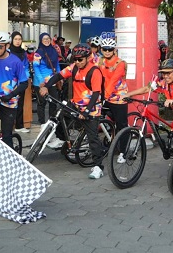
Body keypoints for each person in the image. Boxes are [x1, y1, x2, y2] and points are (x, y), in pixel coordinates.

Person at [41, 43, 106, 179]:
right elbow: (58, 76)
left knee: (92, 137)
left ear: (88, 58)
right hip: (76, 103)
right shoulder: (74, 67)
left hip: (91, 108)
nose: (77, 62)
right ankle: (68, 141)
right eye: (75, 59)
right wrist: (46, 86)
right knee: (58, 117)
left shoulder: (95, 71)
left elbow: (95, 94)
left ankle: (98, 166)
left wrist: (87, 112)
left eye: (80, 59)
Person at [127, 59, 173, 155]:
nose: (165, 76)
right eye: (163, 73)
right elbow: (147, 88)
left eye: (168, 73)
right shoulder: (164, 84)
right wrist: (129, 94)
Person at [98, 38, 129, 142]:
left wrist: (104, 96)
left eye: (110, 49)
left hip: (118, 97)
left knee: (121, 125)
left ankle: (123, 153)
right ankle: (109, 139)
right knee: (95, 118)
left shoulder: (120, 63)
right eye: (105, 49)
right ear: (101, 49)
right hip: (105, 95)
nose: (107, 52)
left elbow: (114, 81)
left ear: (114, 50)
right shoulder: (101, 61)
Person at [32, 33, 60, 125]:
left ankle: (51, 123)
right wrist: (41, 81)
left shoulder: (54, 51)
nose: (47, 40)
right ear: (41, 40)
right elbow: (36, 68)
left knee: (53, 103)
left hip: (52, 81)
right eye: (44, 39)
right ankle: (42, 124)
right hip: (41, 82)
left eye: (48, 38)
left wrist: (60, 77)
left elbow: (57, 65)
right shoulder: (38, 53)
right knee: (42, 104)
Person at [9, 31, 30, 133]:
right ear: (12, 40)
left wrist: (25, 77)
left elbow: (26, 66)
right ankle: (7, 126)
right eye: (15, 39)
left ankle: (19, 125)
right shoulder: (8, 52)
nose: (17, 41)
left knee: (20, 103)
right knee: (8, 103)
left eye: (19, 39)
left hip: (21, 81)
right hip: (10, 82)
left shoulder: (23, 53)